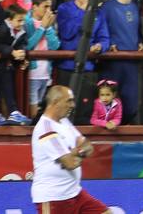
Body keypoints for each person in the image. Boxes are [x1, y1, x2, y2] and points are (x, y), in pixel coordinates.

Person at [31, 84, 108, 214]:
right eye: (69, 101)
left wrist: (77, 152)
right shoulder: (45, 129)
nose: (72, 105)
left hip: (75, 193)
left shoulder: (64, 122)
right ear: (55, 102)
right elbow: (70, 163)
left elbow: (88, 147)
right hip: (53, 198)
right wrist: (78, 152)